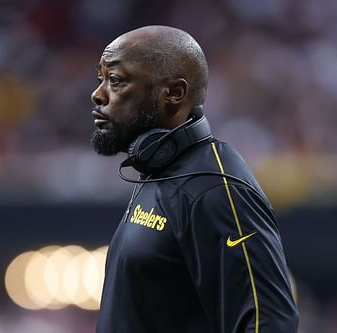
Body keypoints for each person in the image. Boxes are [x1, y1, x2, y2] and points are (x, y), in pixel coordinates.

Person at [90, 25, 299, 333]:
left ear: (174, 94)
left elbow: (269, 322)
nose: (97, 94)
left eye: (116, 80)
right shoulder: (160, 172)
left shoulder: (215, 187)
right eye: (101, 79)